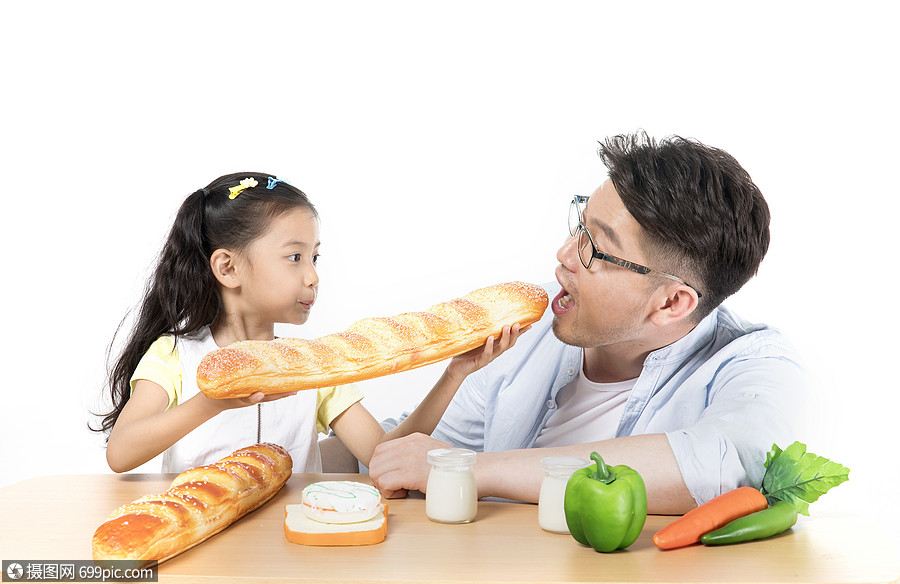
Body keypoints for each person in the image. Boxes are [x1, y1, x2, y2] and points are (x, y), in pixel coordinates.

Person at [368, 132, 805, 514]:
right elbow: (410, 457)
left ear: (672, 302)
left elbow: (722, 465)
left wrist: (471, 469)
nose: (564, 254)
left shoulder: (754, 363)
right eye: (580, 225)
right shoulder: (529, 327)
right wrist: (324, 404)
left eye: (595, 248)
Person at [93, 172, 524, 474]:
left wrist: (455, 373)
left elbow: (383, 457)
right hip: (207, 550)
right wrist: (215, 401)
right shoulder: (176, 355)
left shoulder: (314, 366)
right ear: (228, 268)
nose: (313, 275)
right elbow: (121, 452)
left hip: (296, 548)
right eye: (295, 257)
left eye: (315, 257)